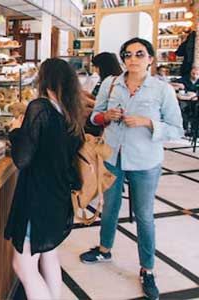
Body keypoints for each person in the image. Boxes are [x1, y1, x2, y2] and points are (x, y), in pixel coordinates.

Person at [79, 38, 183, 300]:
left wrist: (149, 123)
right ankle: (104, 249)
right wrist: (106, 117)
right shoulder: (112, 83)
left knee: (145, 215)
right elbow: (94, 116)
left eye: (139, 54)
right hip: (113, 157)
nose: (133, 59)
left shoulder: (162, 90)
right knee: (110, 206)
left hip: (145, 162)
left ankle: (147, 269)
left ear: (150, 59)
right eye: (127, 54)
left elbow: (176, 129)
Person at [4, 58, 84, 299]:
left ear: (44, 79)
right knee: (49, 255)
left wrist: (15, 131)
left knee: (24, 267)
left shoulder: (40, 108)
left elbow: (22, 159)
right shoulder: (71, 112)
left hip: (39, 201)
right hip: (58, 198)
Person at [84, 52, 123, 136]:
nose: (95, 70)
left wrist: (87, 100)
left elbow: (106, 106)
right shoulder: (105, 82)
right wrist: (89, 96)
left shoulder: (114, 83)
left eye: (96, 67)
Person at [171, 66, 199, 134]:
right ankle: (184, 128)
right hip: (184, 100)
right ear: (190, 72)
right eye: (193, 73)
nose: (195, 75)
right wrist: (178, 85)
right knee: (181, 107)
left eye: (197, 74)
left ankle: (194, 130)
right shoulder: (185, 79)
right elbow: (169, 83)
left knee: (196, 109)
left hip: (196, 100)